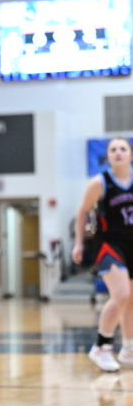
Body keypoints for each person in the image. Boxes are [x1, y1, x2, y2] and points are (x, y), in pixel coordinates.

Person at [72, 137, 133, 372]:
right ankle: (101, 347)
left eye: (123, 149)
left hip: (131, 244)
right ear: (107, 156)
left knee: (130, 299)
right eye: (113, 149)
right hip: (109, 244)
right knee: (121, 294)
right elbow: (82, 212)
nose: (118, 152)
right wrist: (78, 244)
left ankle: (128, 349)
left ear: (130, 155)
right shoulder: (100, 183)